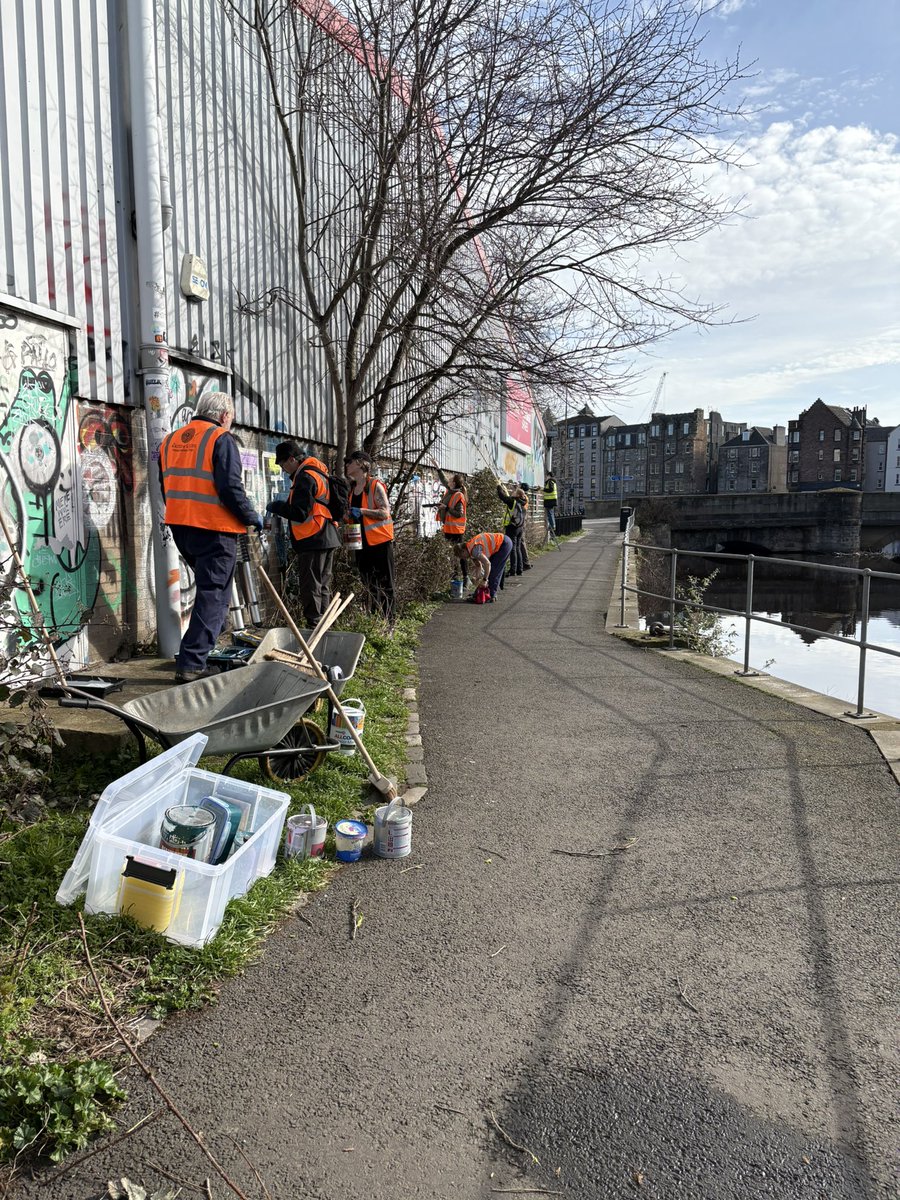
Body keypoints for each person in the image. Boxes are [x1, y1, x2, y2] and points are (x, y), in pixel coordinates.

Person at [159, 392, 263, 683]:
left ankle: (205, 645)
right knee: (214, 595)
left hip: (182, 527)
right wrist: (250, 516)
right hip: (215, 529)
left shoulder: (170, 440)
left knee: (211, 592)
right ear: (224, 415)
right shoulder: (220, 438)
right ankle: (192, 662)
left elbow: (164, 484)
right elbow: (230, 487)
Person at [267, 441, 341, 627]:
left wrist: (277, 506)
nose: (283, 469)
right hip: (326, 534)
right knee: (322, 584)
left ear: (292, 460)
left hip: (313, 537)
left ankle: (314, 625)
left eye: (283, 464)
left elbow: (299, 513)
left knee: (311, 585)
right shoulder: (318, 473)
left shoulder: (304, 477)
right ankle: (324, 624)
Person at [345, 450, 395, 623]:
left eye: (349, 461)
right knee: (369, 584)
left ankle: (389, 623)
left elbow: (384, 512)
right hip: (360, 544)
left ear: (360, 463)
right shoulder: (352, 489)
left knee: (386, 585)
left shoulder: (374, 486)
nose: (346, 465)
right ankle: (375, 621)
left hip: (380, 542)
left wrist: (362, 511)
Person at [455, 531, 512, 602]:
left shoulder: (474, 551)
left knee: (494, 571)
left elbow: (487, 564)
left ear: (463, 551)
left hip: (503, 543)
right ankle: (478, 593)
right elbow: (478, 566)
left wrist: (484, 580)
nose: (463, 558)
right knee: (491, 571)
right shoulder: (470, 549)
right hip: (501, 542)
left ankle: (492, 595)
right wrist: (477, 578)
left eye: (461, 556)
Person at [437, 473, 468, 584]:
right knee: (452, 554)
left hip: (456, 531)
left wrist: (446, 508)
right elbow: (444, 481)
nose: (448, 482)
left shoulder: (458, 495)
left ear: (454, 484)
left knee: (460, 554)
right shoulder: (451, 492)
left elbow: (458, 514)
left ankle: (465, 578)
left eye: (450, 481)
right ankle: (455, 577)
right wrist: (438, 468)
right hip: (449, 530)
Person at [497, 480, 526, 575]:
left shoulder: (512, 501)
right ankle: (519, 569)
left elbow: (502, 497)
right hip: (520, 528)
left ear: (517, 495)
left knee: (512, 548)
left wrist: (498, 487)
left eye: (514, 492)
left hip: (512, 527)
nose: (512, 492)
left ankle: (513, 569)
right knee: (517, 548)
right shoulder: (522, 502)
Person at [543, 472, 558, 538]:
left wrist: (544, 489)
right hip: (551, 500)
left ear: (549, 475)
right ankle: (552, 525)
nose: (545, 477)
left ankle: (552, 525)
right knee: (550, 513)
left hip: (550, 500)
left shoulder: (550, 481)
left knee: (550, 513)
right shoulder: (552, 481)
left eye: (546, 476)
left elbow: (550, 490)